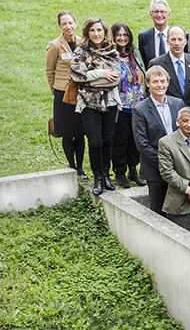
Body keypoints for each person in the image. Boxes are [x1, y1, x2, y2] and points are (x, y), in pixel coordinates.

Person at [70, 17, 122, 196]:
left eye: (99, 30)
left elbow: (115, 78)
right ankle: (97, 177)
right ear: (87, 33)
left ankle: (107, 174)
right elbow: (77, 75)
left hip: (110, 102)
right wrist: (102, 73)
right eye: (93, 30)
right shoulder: (80, 51)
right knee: (95, 141)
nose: (96, 34)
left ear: (104, 31)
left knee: (107, 139)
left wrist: (91, 75)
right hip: (88, 103)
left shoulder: (112, 51)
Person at [133, 65, 183, 210]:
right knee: (158, 211)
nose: (160, 85)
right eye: (155, 82)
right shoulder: (140, 109)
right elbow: (142, 144)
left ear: (168, 82)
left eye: (162, 81)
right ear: (148, 84)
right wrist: (165, 163)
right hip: (155, 170)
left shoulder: (178, 103)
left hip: (179, 168)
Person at [46, 11, 87, 178]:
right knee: (67, 132)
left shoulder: (83, 43)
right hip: (62, 93)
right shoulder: (55, 45)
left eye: (70, 23)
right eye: (64, 24)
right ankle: (72, 167)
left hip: (80, 92)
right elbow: (49, 70)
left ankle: (81, 168)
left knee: (80, 131)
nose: (68, 26)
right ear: (60, 26)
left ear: (75, 23)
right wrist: (55, 89)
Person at [110, 22, 145, 187]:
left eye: (125, 35)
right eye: (119, 35)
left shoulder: (135, 53)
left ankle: (133, 170)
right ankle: (120, 172)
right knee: (120, 141)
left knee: (134, 141)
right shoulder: (110, 56)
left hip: (137, 105)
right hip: (120, 107)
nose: (122, 38)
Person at [150, 26, 190, 106]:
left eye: (180, 39)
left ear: (186, 41)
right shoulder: (157, 64)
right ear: (167, 41)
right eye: (173, 39)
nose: (177, 43)